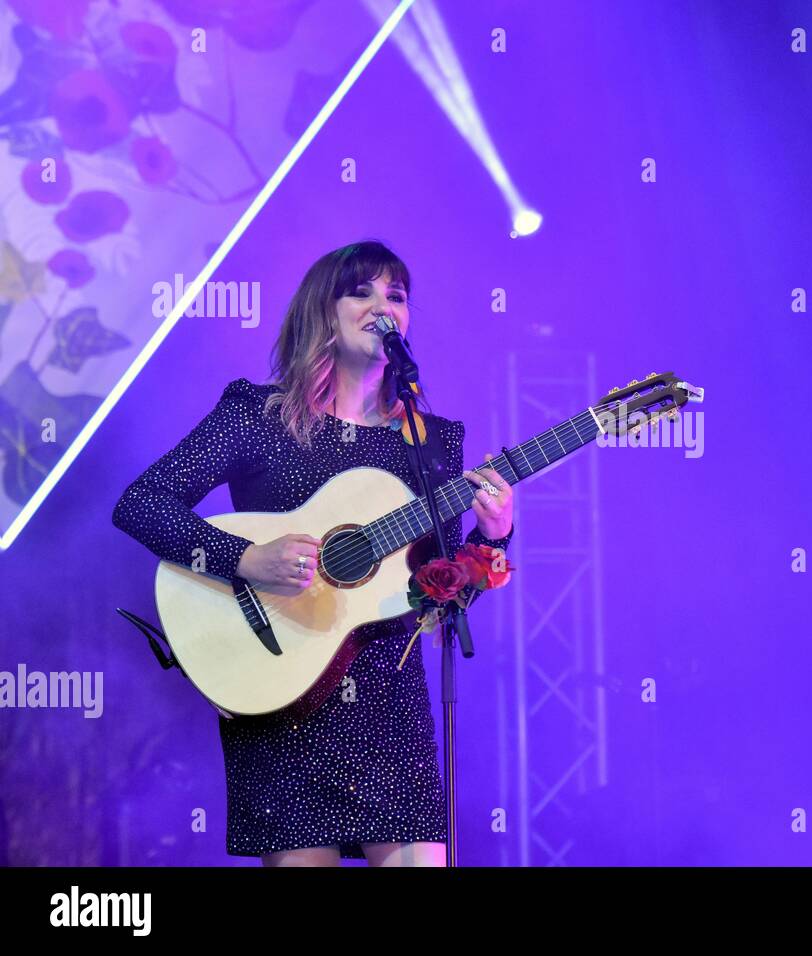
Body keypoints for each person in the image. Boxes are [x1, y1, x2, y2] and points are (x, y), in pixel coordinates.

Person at [112, 240, 514, 867]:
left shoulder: (431, 444)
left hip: (390, 709)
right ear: (322, 313)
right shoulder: (257, 415)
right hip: (281, 689)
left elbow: (444, 590)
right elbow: (141, 504)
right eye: (362, 291)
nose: (384, 306)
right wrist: (242, 558)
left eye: (397, 296)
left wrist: (493, 535)